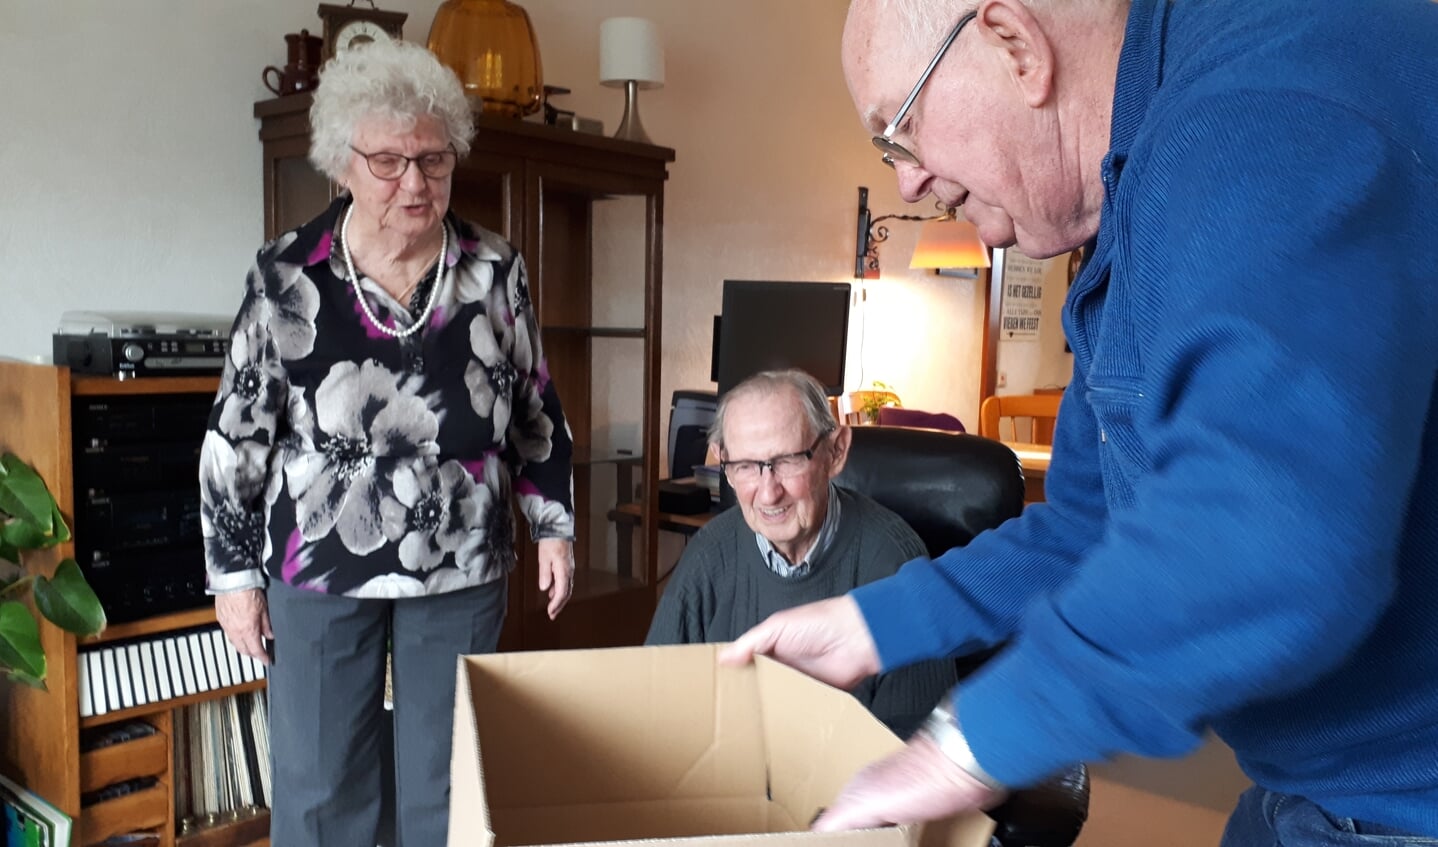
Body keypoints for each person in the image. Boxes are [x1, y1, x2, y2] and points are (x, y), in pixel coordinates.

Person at [723, 0, 1438, 844]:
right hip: (1312, 788)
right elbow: (1091, 528)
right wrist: (874, 622)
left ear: (1014, 44)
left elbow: (1266, 542)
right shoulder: (1125, 206)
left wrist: (967, 746)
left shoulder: (1260, 108)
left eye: (899, 129)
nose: (907, 181)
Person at [200, 40, 577, 846]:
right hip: (321, 562)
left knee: (448, 780)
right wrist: (234, 574)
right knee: (322, 780)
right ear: (341, 164)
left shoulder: (492, 270)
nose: (415, 181)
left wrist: (553, 523)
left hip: (462, 557)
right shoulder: (286, 276)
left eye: (434, 160)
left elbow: (533, 403)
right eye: (389, 161)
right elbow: (238, 431)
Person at [646, 369, 957, 738]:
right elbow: (654, 696)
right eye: (745, 466)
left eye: (789, 461)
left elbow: (915, 750)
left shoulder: (894, 562)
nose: (767, 493)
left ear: (836, 451)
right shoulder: (711, 551)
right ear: (723, 463)